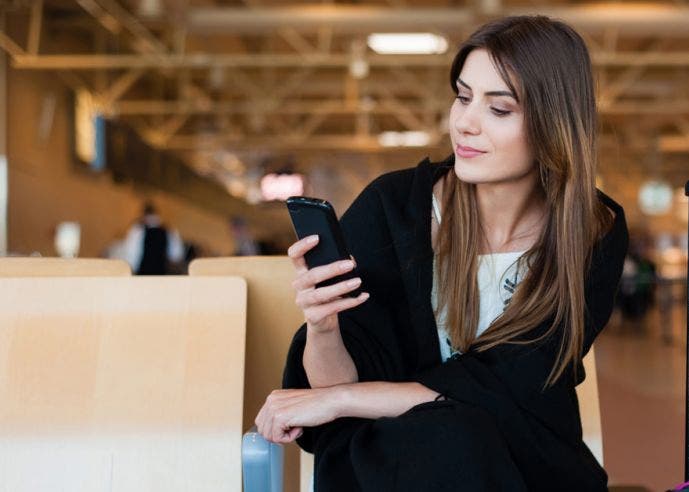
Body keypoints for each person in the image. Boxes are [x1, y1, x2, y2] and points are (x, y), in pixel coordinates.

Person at [255, 16, 629, 491]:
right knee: (444, 438)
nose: (465, 123)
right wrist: (323, 328)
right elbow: (331, 401)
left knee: (455, 435)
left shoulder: (591, 231)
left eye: (500, 109)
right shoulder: (392, 209)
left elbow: (508, 386)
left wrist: (345, 398)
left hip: (523, 460)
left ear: (553, 123)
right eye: (463, 96)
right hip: (394, 464)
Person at [122, 202, 184, 275]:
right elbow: (176, 256)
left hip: (142, 274)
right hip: (161, 274)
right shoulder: (168, 230)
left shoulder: (137, 230)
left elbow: (130, 255)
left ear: (143, 214)